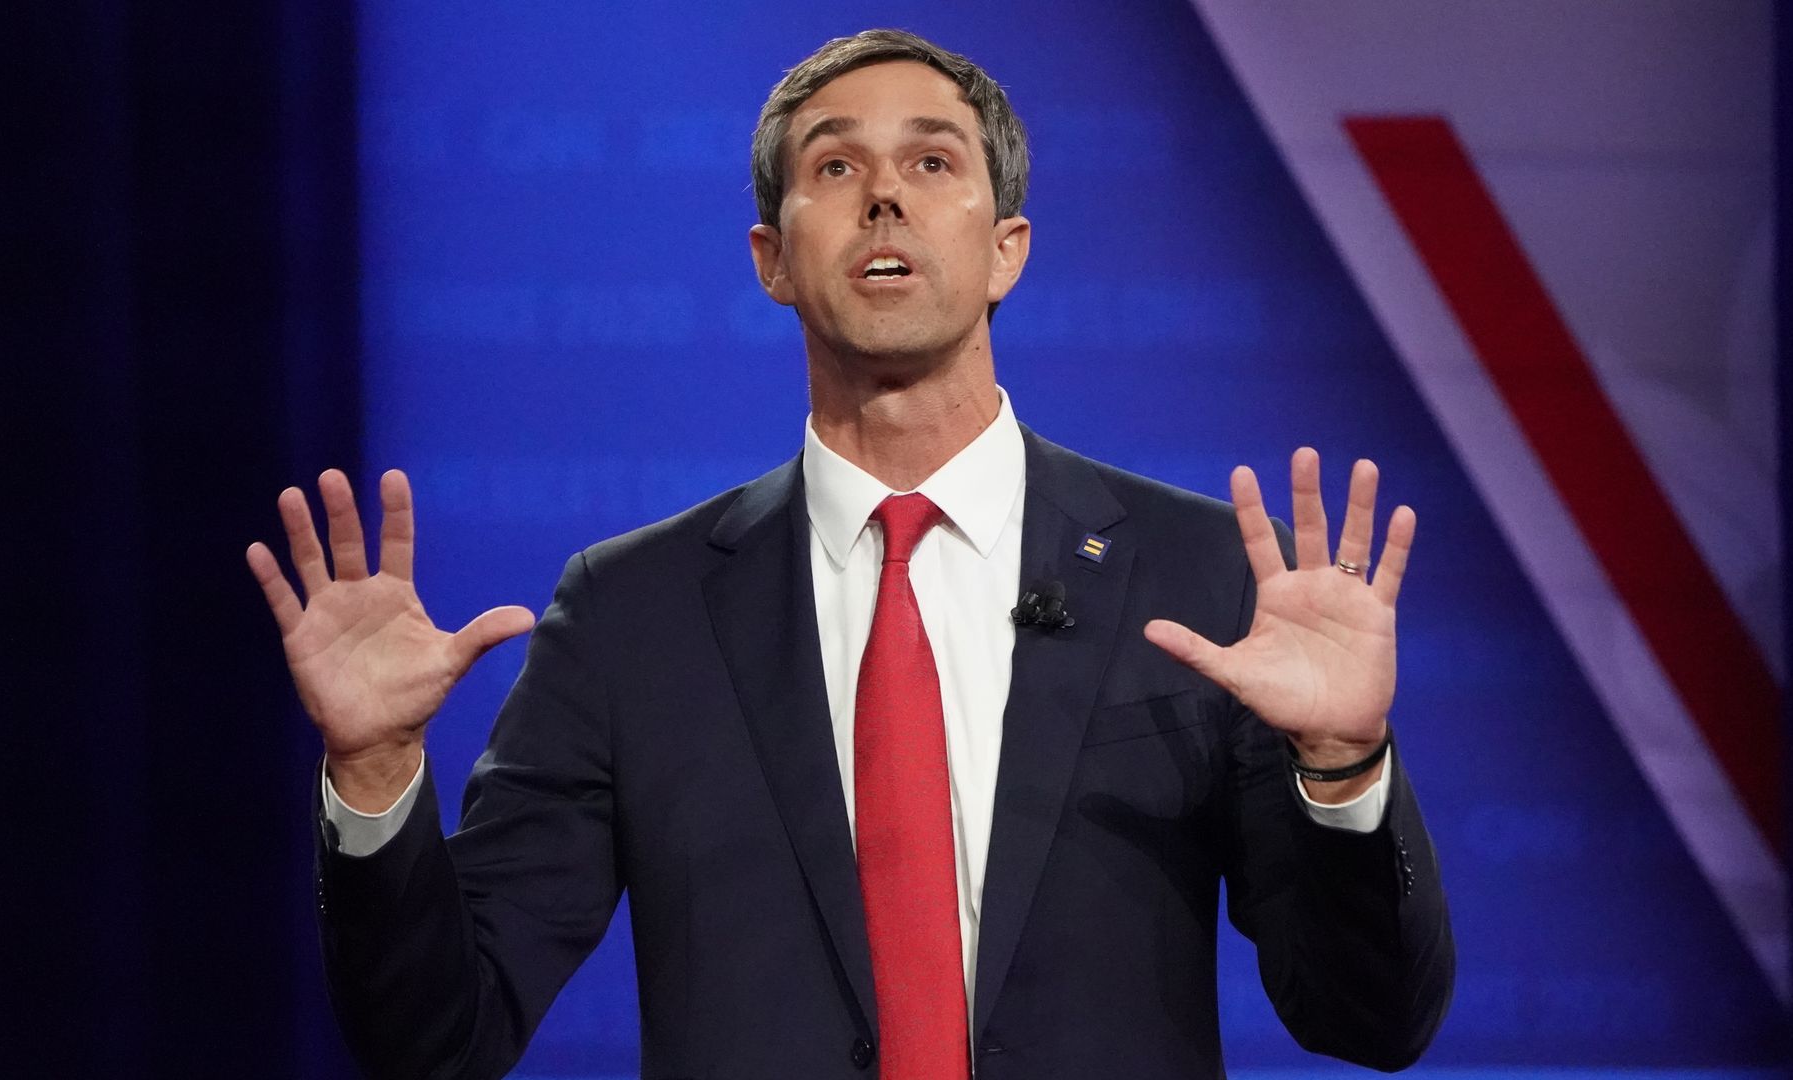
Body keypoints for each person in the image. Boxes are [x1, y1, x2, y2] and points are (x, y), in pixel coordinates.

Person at [248, 28, 1454, 1080]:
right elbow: (435, 1041)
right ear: (771, 258)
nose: (886, 196)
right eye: (836, 166)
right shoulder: (631, 614)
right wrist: (375, 777)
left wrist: (1344, 773)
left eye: (933, 161)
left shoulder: (1198, 581)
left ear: (1007, 249)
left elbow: (1369, 1023)